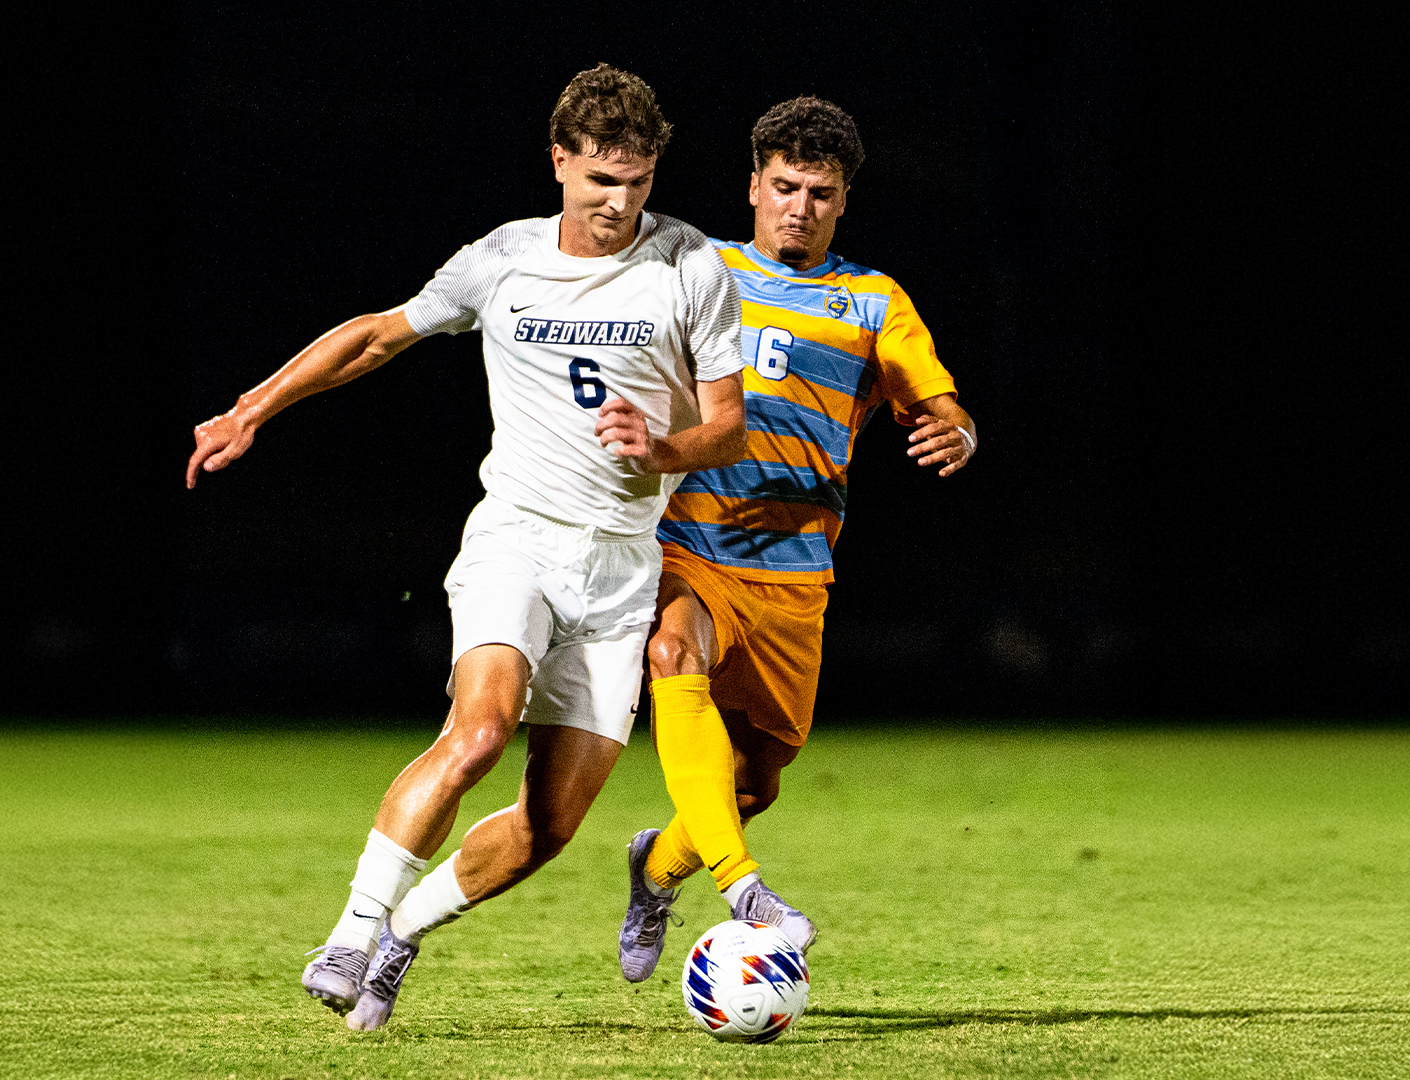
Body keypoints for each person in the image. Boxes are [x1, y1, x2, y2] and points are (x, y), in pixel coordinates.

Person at [187, 64, 748, 1031]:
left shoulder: (690, 265)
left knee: (548, 828)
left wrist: (662, 449)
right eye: (601, 180)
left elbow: (729, 429)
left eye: (638, 182)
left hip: (622, 571)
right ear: (559, 160)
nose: (619, 204)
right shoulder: (503, 259)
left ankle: (401, 935)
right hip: (517, 541)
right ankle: (351, 933)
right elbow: (377, 336)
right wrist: (254, 408)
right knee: (480, 730)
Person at [616, 97, 975, 982]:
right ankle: (745, 891)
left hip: (795, 569)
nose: (799, 208)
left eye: (819, 193)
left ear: (843, 200)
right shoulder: (696, 271)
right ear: (754, 186)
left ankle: (656, 869)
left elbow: (942, 405)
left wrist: (960, 434)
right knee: (672, 651)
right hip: (690, 543)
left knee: (752, 783)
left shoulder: (872, 301)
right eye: (784, 187)